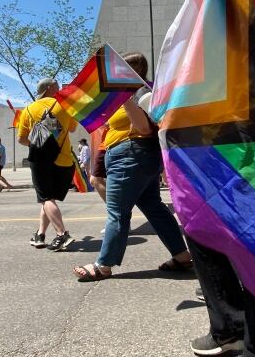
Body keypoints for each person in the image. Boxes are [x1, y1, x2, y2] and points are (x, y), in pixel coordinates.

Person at [72, 52, 192, 280]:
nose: (111, 75)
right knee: (154, 208)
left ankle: (103, 265)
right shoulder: (134, 92)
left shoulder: (138, 92)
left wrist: (125, 98)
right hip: (134, 156)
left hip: (131, 155)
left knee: (117, 212)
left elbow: (145, 128)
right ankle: (182, 256)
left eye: (117, 70)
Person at [18, 77, 76, 251]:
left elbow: (21, 139)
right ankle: (40, 235)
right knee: (48, 199)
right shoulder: (65, 105)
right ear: (50, 87)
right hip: (65, 160)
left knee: (46, 199)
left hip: (41, 161)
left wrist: (38, 143)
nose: (59, 88)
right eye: (57, 86)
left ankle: (62, 234)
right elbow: (72, 128)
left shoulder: (28, 109)